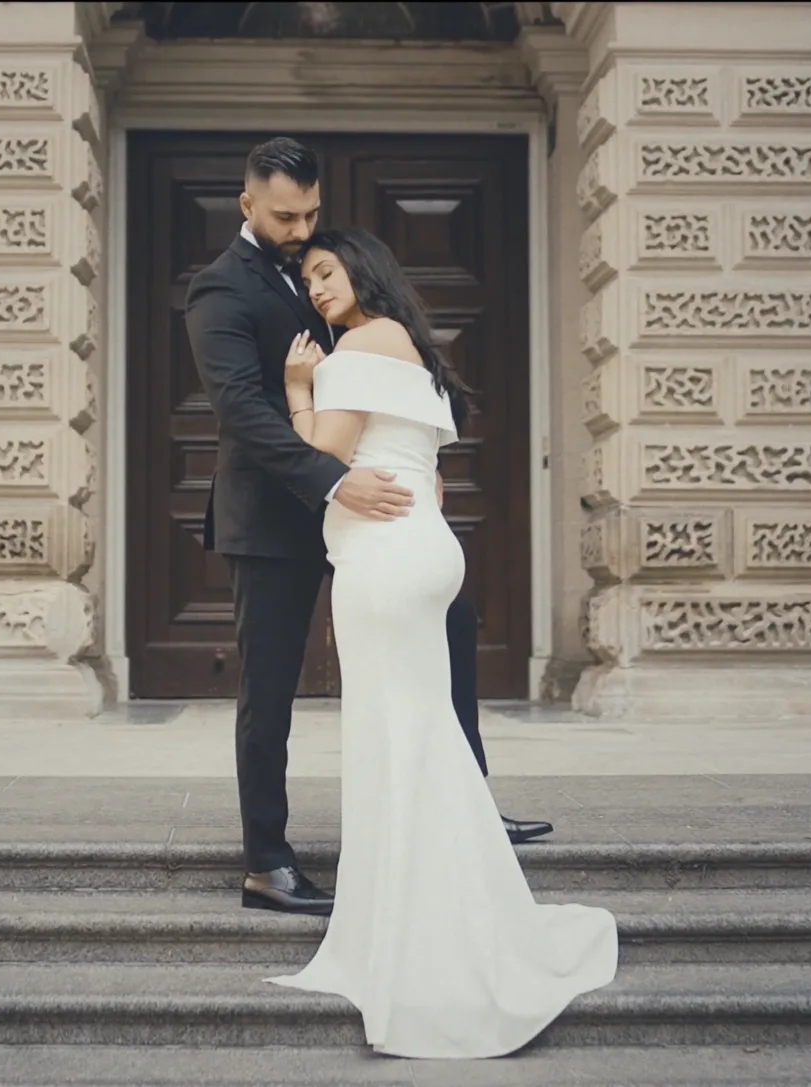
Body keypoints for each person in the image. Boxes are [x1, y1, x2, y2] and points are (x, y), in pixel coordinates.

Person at [265, 226, 616, 1059]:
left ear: (362, 270)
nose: (316, 289)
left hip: (385, 563)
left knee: (395, 742)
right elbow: (430, 470)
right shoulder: (411, 351)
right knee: (422, 738)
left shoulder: (357, 344)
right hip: (422, 549)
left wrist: (296, 387)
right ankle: (438, 908)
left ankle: (421, 935)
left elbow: (323, 454)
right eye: (307, 279)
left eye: (325, 270)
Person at [183, 138, 550, 919]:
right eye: (286, 215)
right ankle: (268, 862)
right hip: (280, 514)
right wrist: (335, 478)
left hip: (372, 515)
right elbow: (242, 413)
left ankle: (466, 809)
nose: (301, 227)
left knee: (451, 632)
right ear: (248, 204)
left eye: (313, 214)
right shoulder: (219, 290)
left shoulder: (326, 272)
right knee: (269, 691)